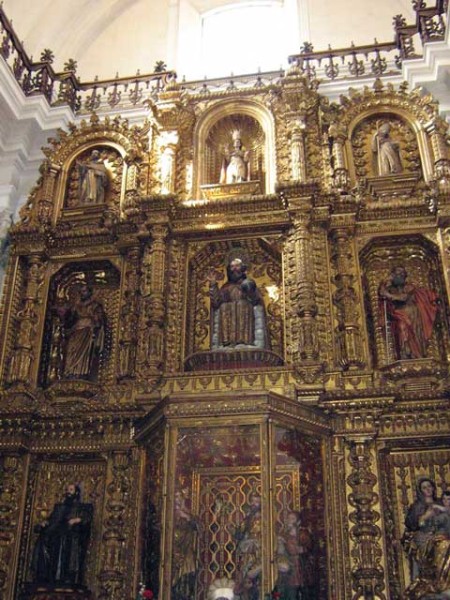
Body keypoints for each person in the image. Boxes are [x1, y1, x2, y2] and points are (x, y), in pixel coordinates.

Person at [30, 483, 93, 586]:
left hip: (70, 535)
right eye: (67, 490)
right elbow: (52, 520)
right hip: (56, 533)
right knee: (43, 539)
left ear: (76, 492)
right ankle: (43, 574)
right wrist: (45, 523)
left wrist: (77, 519)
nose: (68, 492)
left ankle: (63, 576)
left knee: (63, 541)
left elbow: (86, 518)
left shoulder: (81, 507)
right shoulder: (59, 507)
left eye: (71, 490)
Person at [207, 258, 269, 350]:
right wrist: (213, 284)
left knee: (241, 304)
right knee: (224, 306)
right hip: (228, 314)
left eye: (237, 266)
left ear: (243, 268)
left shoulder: (248, 283)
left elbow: (256, 300)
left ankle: (244, 341)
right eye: (232, 267)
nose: (234, 269)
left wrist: (250, 290)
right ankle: (227, 342)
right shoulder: (225, 287)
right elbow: (216, 303)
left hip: (245, 312)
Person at [378, 266, 438, 360]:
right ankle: (404, 354)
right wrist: (384, 282)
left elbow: (403, 298)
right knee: (401, 328)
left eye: (402, 274)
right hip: (399, 315)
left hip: (412, 315)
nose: (400, 276)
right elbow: (382, 294)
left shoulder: (409, 287)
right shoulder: (391, 289)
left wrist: (387, 294)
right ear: (392, 275)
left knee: (415, 335)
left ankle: (417, 354)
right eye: (397, 274)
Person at [403, 480, 450, 599]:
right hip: (426, 538)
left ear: (433, 488)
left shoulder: (441, 502)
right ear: (420, 491)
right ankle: (440, 582)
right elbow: (413, 524)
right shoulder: (417, 506)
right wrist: (425, 516)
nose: (428, 489)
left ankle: (446, 582)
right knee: (444, 545)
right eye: (424, 487)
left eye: (429, 486)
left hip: (443, 534)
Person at [56, 284, 106, 380]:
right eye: (81, 292)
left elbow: (99, 320)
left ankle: (81, 374)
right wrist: (63, 314)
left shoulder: (95, 305)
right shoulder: (76, 306)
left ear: (89, 292)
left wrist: (95, 318)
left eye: (84, 291)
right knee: (71, 350)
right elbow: (70, 320)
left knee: (84, 353)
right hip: (75, 331)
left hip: (87, 331)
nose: (82, 294)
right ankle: (69, 372)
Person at [275, 511, 316, 600]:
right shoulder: (284, 535)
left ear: (298, 522)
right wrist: (280, 544)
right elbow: (280, 553)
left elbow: (310, 548)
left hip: (301, 566)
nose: (290, 521)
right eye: (288, 518)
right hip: (290, 567)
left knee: (304, 591)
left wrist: (302, 550)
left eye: (292, 519)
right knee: (290, 591)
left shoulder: (303, 534)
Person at [233, 493, 263, 600]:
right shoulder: (248, 518)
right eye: (253, 501)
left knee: (256, 576)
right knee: (245, 572)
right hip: (248, 549)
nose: (254, 504)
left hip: (259, 549)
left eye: (257, 502)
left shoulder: (265, 518)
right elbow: (240, 534)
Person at [171, 490, 199, 600]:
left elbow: (198, 527)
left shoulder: (188, 514)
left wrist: (187, 517)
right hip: (173, 551)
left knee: (186, 576)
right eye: (175, 497)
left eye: (179, 496)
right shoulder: (168, 514)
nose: (177, 499)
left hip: (186, 550)